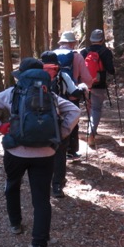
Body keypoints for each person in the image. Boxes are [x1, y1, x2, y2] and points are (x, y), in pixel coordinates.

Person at [0, 57, 80, 247]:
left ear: (21, 76)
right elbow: (75, 111)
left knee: (12, 186)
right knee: (41, 199)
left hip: (15, 151)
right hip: (45, 154)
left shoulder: (12, 93)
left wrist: (0, 126)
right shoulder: (49, 95)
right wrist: (61, 132)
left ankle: (15, 223)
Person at [49, 31, 94, 198]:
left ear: (61, 43)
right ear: (73, 43)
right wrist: (87, 86)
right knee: (71, 122)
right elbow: (87, 77)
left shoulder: (51, 54)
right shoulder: (76, 56)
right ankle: (70, 150)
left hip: (48, 99)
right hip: (70, 95)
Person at [80, 29, 116, 149]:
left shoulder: (84, 52)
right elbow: (111, 69)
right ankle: (91, 132)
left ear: (91, 39)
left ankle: (91, 127)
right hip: (99, 84)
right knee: (96, 108)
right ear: (102, 40)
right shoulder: (105, 52)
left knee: (90, 107)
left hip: (85, 84)